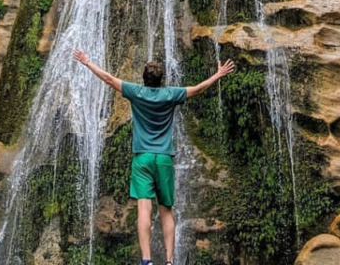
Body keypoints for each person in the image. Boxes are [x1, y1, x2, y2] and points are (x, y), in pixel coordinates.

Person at [73, 49, 235, 265]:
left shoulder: (136, 92)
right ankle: (169, 261)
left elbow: (108, 78)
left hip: (142, 159)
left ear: (144, 78)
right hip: (164, 158)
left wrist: (87, 62)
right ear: (161, 80)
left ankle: (147, 260)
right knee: (166, 211)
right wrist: (218, 74)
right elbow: (198, 89)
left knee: (144, 209)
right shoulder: (170, 94)